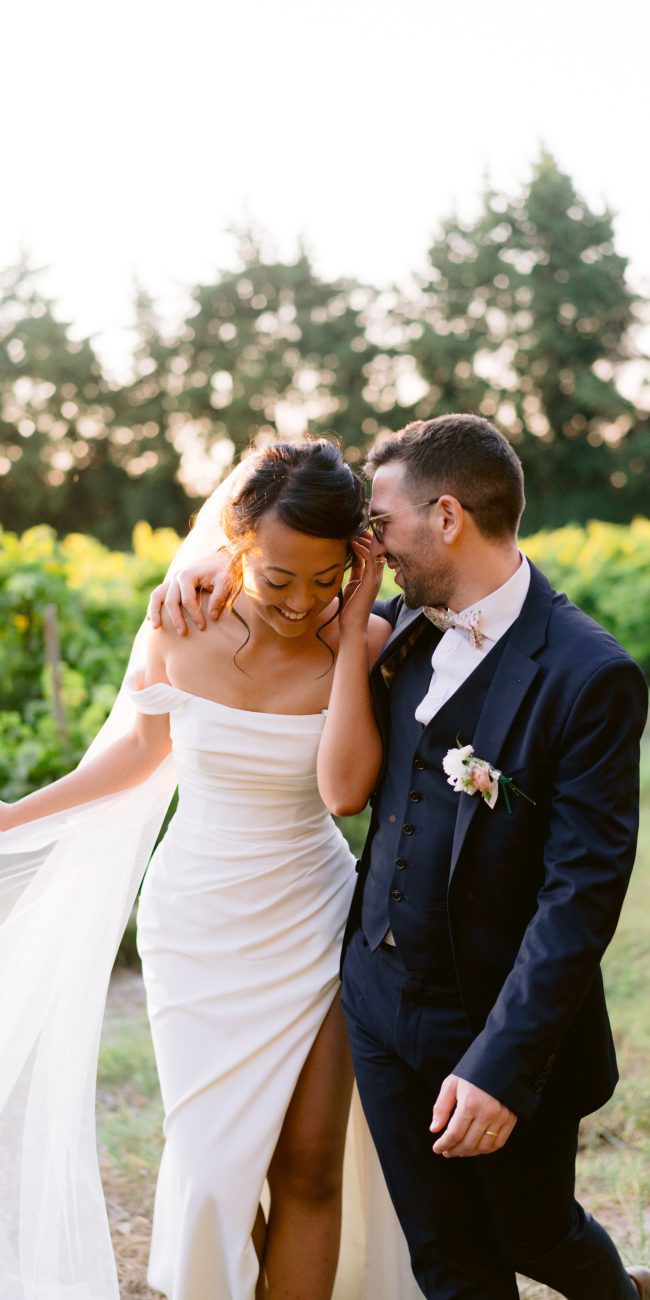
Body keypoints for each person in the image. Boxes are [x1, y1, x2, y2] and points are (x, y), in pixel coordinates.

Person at [158, 415, 649, 1300]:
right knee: (446, 1263)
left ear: (448, 518)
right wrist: (211, 566)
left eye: (379, 524)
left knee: (535, 1235)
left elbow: (580, 898)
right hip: (379, 1014)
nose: (365, 546)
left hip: (498, 1032)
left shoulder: (588, 675)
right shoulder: (401, 630)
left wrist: (500, 1069)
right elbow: (296, 594)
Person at [0, 439, 422, 1300]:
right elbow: (132, 758)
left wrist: (352, 639)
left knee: (308, 1171)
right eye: (277, 579)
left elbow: (345, 792)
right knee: (215, 1171)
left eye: (326, 578)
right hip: (196, 927)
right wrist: (13, 816)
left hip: (312, 918)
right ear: (235, 543)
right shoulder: (179, 625)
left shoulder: (368, 641)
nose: (302, 602)